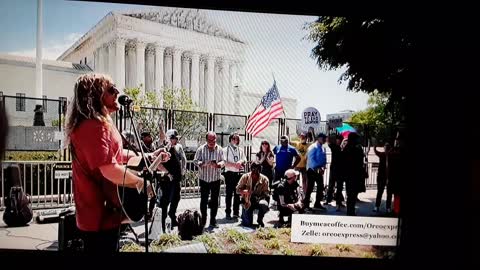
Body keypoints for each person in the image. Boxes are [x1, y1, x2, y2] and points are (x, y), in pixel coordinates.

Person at [65, 73, 161, 253]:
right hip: (98, 217)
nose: (117, 91)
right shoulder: (92, 127)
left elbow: (115, 155)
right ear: (95, 96)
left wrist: (148, 156)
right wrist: (140, 182)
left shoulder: (100, 123)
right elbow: (109, 170)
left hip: (108, 212)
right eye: (111, 89)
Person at [155, 129, 186, 232]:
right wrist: (167, 173)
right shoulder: (163, 149)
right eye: (173, 138)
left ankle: (172, 217)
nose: (176, 140)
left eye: (176, 138)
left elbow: (181, 160)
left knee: (176, 198)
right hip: (167, 180)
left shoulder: (175, 148)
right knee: (165, 202)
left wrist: (181, 171)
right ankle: (162, 223)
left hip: (176, 179)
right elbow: (157, 163)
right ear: (169, 139)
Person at [193, 131, 224, 228]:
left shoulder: (220, 149)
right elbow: (195, 161)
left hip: (215, 179)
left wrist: (218, 165)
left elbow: (223, 161)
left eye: (214, 140)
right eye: (210, 140)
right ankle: (203, 220)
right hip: (204, 179)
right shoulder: (201, 149)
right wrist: (201, 163)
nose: (212, 142)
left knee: (215, 201)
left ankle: (213, 220)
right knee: (204, 200)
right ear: (206, 140)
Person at [236, 162, 270, 227]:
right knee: (247, 224)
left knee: (264, 204)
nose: (254, 174)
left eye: (257, 172)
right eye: (253, 171)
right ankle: (244, 215)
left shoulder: (265, 179)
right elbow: (237, 190)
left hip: (258, 200)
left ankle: (260, 219)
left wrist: (259, 197)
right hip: (247, 201)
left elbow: (267, 193)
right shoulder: (245, 177)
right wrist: (244, 191)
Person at [223, 132, 246, 220]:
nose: (236, 140)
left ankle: (236, 213)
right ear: (230, 140)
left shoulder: (240, 150)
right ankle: (228, 212)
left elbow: (244, 159)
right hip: (229, 174)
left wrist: (241, 162)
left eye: (237, 139)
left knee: (237, 194)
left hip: (238, 174)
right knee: (229, 194)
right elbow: (224, 162)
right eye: (234, 139)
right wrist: (233, 165)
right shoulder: (225, 150)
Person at [342, 132, 365, 216]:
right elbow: (359, 161)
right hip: (354, 174)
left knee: (350, 193)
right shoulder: (356, 148)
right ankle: (351, 210)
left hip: (349, 175)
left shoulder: (346, 148)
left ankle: (350, 210)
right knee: (353, 194)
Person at [305, 133, 327, 210]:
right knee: (310, 188)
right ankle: (306, 205)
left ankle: (317, 203)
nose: (324, 139)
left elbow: (324, 158)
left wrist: (323, 167)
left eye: (325, 138)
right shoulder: (313, 147)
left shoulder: (323, 147)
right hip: (312, 170)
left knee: (320, 187)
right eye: (323, 138)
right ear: (318, 138)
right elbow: (311, 159)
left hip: (319, 171)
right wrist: (318, 167)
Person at [289, 132, 312, 201]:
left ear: (306, 138)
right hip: (297, 166)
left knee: (305, 181)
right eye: (301, 137)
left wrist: (312, 132)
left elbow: (314, 142)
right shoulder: (297, 143)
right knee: (294, 180)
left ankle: (305, 195)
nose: (302, 138)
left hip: (305, 166)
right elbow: (289, 142)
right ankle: (295, 194)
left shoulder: (308, 145)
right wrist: (288, 133)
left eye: (304, 137)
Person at [326, 134, 345, 208]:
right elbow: (328, 141)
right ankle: (328, 200)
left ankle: (338, 202)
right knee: (331, 185)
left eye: (340, 140)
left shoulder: (343, 148)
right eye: (338, 139)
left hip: (340, 170)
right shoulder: (334, 146)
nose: (339, 141)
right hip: (334, 169)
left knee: (339, 186)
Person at [373, 142, 393, 212]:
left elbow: (375, 151)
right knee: (385, 193)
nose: (386, 149)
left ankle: (379, 206)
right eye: (386, 147)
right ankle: (386, 207)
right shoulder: (386, 155)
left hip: (386, 177)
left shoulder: (386, 155)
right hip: (386, 177)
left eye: (387, 148)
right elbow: (376, 151)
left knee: (383, 192)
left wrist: (375, 146)